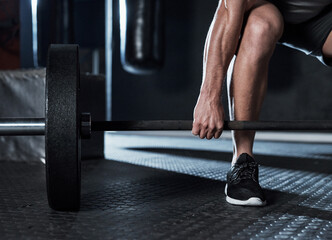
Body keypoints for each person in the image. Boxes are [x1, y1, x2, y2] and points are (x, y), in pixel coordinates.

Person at [192, 0, 332, 206]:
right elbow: (228, 10)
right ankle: (242, 161)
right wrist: (209, 96)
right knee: (260, 26)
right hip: (265, 8)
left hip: (317, 19)